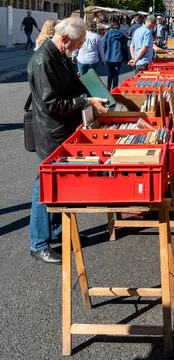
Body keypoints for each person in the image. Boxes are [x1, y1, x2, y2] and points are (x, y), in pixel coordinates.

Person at [28, 18, 108, 264]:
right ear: (64, 38)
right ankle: (38, 243)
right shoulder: (43, 60)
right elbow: (52, 104)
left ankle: (57, 233)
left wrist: (93, 90)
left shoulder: (60, 55)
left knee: (59, 184)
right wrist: (86, 102)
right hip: (51, 133)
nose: (79, 48)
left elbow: (72, 86)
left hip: (62, 129)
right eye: (77, 43)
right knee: (44, 186)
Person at [102, 20, 129, 90]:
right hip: (119, 57)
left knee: (110, 72)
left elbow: (103, 45)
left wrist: (103, 55)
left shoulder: (108, 34)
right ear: (119, 27)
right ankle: (115, 87)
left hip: (109, 56)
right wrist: (126, 59)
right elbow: (125, 48)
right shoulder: (122, 35)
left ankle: (108, 86)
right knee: (116, 73)